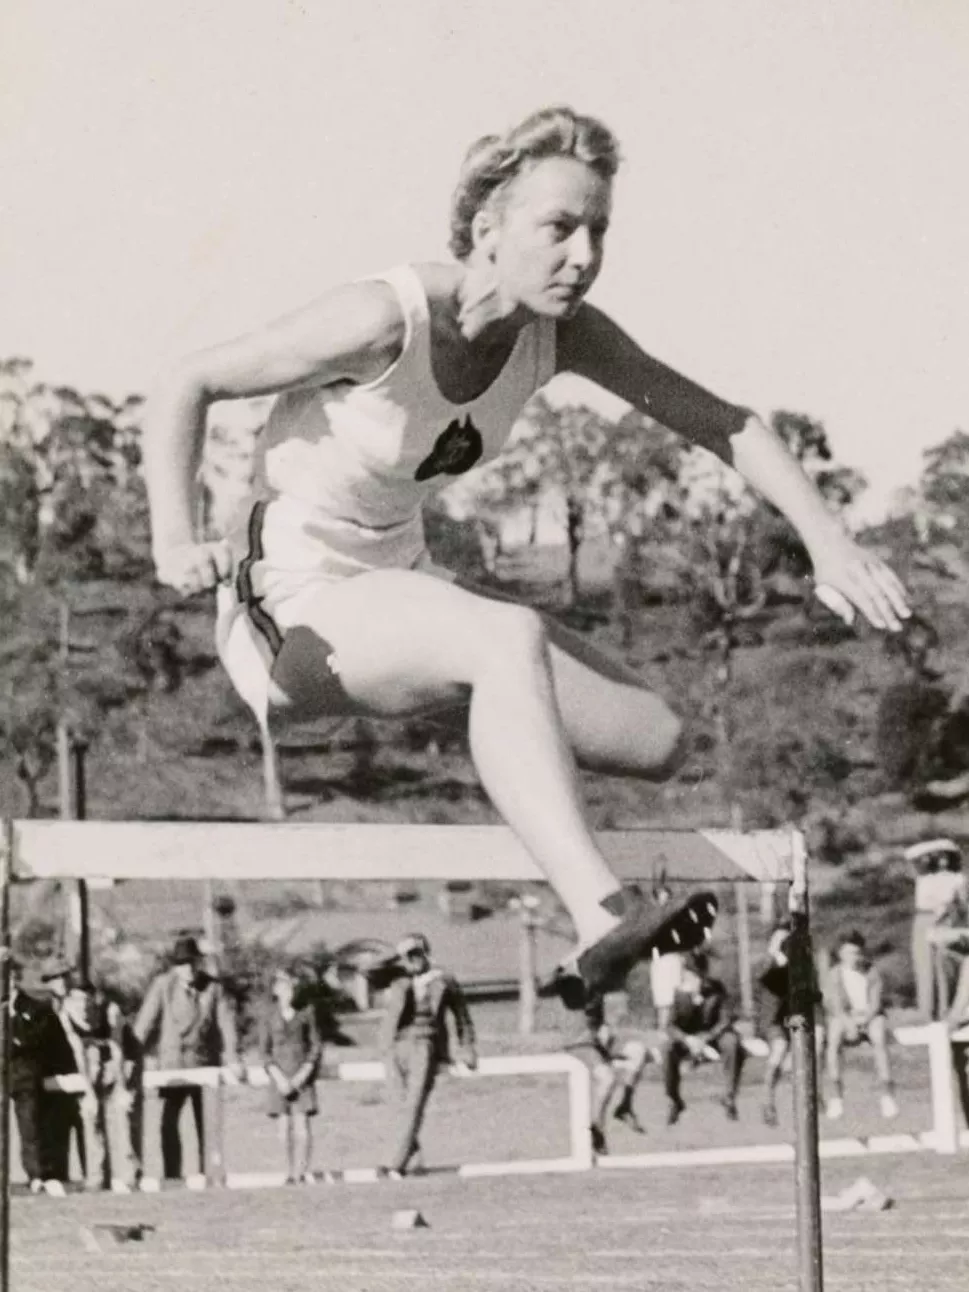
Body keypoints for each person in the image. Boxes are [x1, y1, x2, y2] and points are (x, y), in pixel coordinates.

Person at [144, 105, 910, 1007]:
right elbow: (185, 382)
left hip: (399, 587)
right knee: (501, 635)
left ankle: (558, 866)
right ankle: (600, 916)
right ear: (486, 228)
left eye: (599, 231)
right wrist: (172, 539)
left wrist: (828, 540)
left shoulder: (563, 333)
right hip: (288, 604)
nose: (582, 255)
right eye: (558, 227)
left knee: (654, 737)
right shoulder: (384, 318)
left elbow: (718, 419)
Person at [134, 934, 241, 1182]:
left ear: (199, 962)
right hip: (172, 1067)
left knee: (207, 1124)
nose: (188, 969)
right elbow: (143, 1026)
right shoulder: (163, 986)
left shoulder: (213, 988)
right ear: (175, 966)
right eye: (182, 964)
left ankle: (208, 1174)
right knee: (168, 1123)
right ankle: (172, 1175)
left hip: (204, 1063)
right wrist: (133, 1061)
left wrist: (233, 1057)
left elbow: (227, 1026)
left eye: (192, 962)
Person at [378, 933, 476, 1177]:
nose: (413, 960)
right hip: (394, 1045)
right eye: (408, 955)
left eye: (417, 953)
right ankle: (413, 1163)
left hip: (425, 1044)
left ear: (426, 954)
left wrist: (467, 1049)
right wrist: (395, 952)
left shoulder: (443, 979)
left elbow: (462, 1017)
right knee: (398, 1106)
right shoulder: (396, 977)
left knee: (413, 1105)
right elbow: (368, 969)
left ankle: (392, 1163)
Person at [660, 950, 744, 1125]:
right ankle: (673, 1099)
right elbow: (669, 1025)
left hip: (712, 1036)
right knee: (666, 1047)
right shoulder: (679, 994)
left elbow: (725, 1019)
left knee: (732, 1042)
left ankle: (729, 1097)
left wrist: (705, 1038)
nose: (696, 980)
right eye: (690, 975)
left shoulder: (717, 990)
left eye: (699, 975)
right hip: (688, 1039)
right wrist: (687, 1039)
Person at [257, 965, 323, 1185]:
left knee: (302, 1126)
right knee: (283, 1127)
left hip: (301, 1075)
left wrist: (304, 1073)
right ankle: (288, 1172)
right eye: (284, 985)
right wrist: (278, 1077)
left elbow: (315, 1046)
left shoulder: (307, 1011)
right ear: (276, 989)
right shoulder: (268, 1014)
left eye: (292, 985)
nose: (290, 990)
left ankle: (301, 1172)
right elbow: (264, 1051)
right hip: (279, 1077)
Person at [824, 930, 898, 1121]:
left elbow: (875, 1001)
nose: (853, 957)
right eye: (848, 953)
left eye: (856, 953)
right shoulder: (834, 974)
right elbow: (836, 1005)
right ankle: (836, 1095)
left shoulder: (871, 971)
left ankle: (887, 1094)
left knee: (879, 1038)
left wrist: (865, 1020)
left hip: (869, 1015)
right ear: (840, 954)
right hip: (846, 1016)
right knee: (833, 1041)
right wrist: (850, 1024)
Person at [568, 988, 652, 1155]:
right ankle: (596, 1129)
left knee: (638, 1051)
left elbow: (609, 1018)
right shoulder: (571, 983)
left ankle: (625, 1107)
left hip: (598, 1040)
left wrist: (606, 1028)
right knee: (607, 1078)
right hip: (579, 1043)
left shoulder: (598, 984)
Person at [9, 959, 59, 1194]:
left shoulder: (35, 1007)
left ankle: (37, 1175)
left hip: (24, 1075)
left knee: (30, 1127)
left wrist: (13, 1022)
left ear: (13, 979)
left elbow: (32, 1040)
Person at [905, 839, 968, 1019]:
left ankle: (946, 1010)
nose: (943, 860)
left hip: (946, 921)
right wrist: (936, 846)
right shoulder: (924, 877)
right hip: (923, 920)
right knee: (924, 967)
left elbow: (961, 904)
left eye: (947, 856)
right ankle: (927, 1013)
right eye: (938, 856)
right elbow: (910, 855)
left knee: (944, 964)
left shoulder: (958, 878)